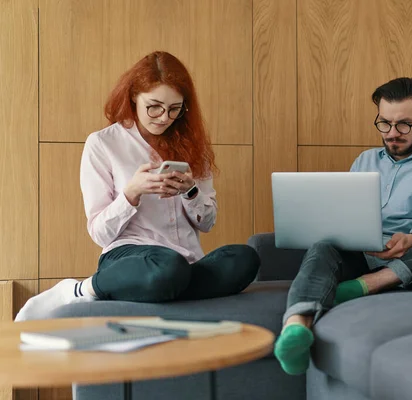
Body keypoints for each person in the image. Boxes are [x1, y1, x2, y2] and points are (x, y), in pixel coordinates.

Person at [273, 77, 412, 375]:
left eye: (403, 124)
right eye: (384, 123)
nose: (392, 134)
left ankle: (371, 285)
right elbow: (346, 214)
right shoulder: (365, 160)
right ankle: (296, 328)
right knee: (323, 246)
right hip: (362, 255)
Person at [15, 51, 260, 321]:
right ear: (134, 96)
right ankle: (82, 288)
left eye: (174, 109)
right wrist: (132, 192)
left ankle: (167, 287)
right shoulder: (103, 144)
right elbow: (99, 233)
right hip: (130, 256)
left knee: (245, 258)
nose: (164, 117)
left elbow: (207, 223)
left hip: (185, 261)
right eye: (154, 106)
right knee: (168, 268)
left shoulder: (192, 148)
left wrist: (190, 191)